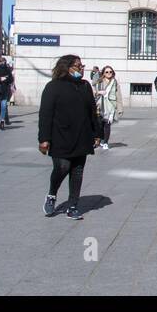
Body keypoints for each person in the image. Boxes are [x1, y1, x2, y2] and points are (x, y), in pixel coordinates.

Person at [38, 53, 101, 220]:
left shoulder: (85, 86)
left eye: (81, 65)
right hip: (60, 136)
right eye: (78, 66)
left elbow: (92, 112)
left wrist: (97, 133)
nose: (81, 68)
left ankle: (73, 205)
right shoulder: (53, 87)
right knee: (62, 167)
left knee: (78, 172)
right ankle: (52, 195)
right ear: (67, 68)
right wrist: (44, 139)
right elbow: (45, 114)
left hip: (82, 135)